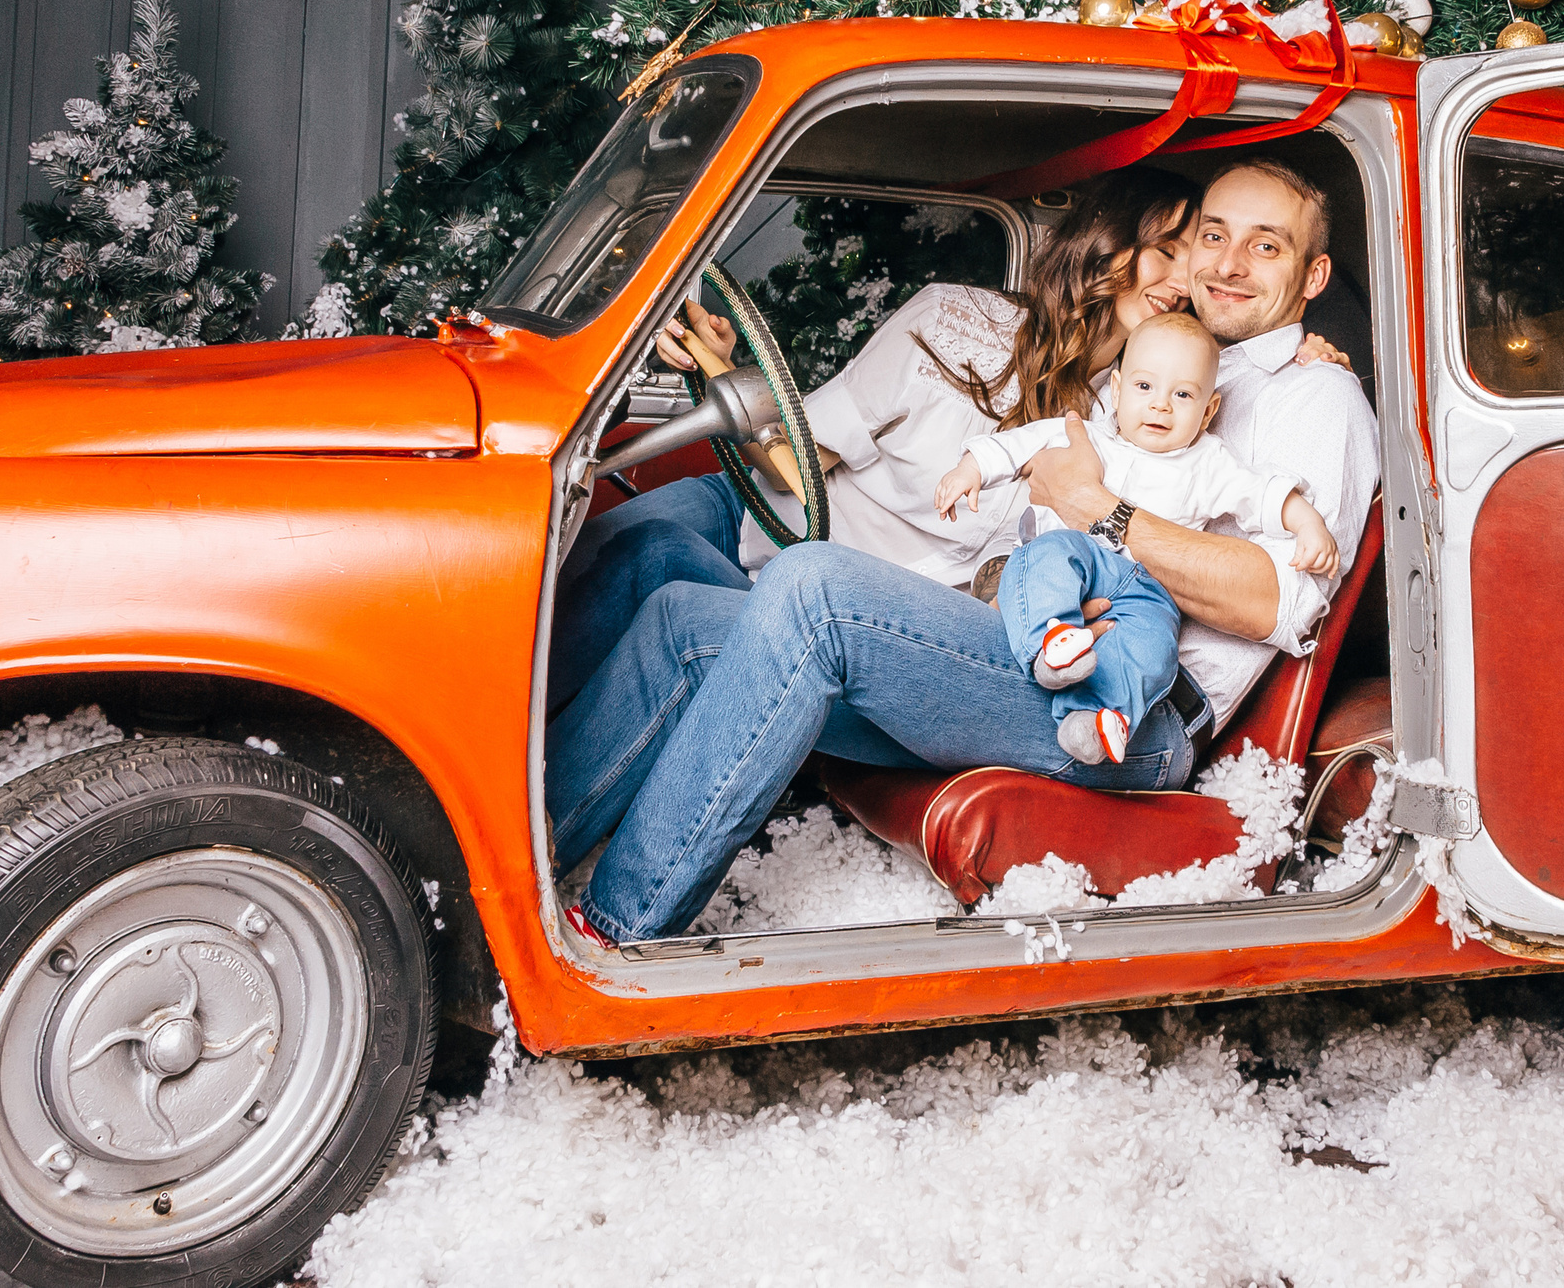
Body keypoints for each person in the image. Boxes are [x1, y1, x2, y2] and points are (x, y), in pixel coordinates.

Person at [549, 156, 1380, 946]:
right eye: (1211, 236)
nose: (1229, 261)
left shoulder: (1317, 395)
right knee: (681, 616)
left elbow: (1276, 601)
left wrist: (1099, 511)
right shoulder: (1181, 371)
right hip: (1035, 640)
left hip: (1136, 704)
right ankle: (521, 875)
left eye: (1265, 245)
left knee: (814, 588)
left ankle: (615, 929)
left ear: (1310, 277)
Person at [543, 163, 1202, 720]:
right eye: (1165, 250)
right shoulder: (952, 320)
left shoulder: (1140, 422)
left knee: (666, 596)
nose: (1179, 281)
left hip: (840, 615)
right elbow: (791, 472)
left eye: (1192, 262)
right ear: (1109, 244)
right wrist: (724, 369)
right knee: (598, 561)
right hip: (755, 517)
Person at [936, 310, 1339, 766]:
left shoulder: (1208, 462)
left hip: (1144, 589)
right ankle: (1049, 644)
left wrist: (1307, 523)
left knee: (1154, 645)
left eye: (1183, 394)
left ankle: (1098, 720)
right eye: (1145, 387)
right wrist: (969, 470)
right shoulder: (1085, 436)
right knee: (1045, 556)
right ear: (1118, 390)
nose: (1161, 405)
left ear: (1208, 410)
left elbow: (1262, 494)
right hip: (1075, 558)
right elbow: (1014, 446)